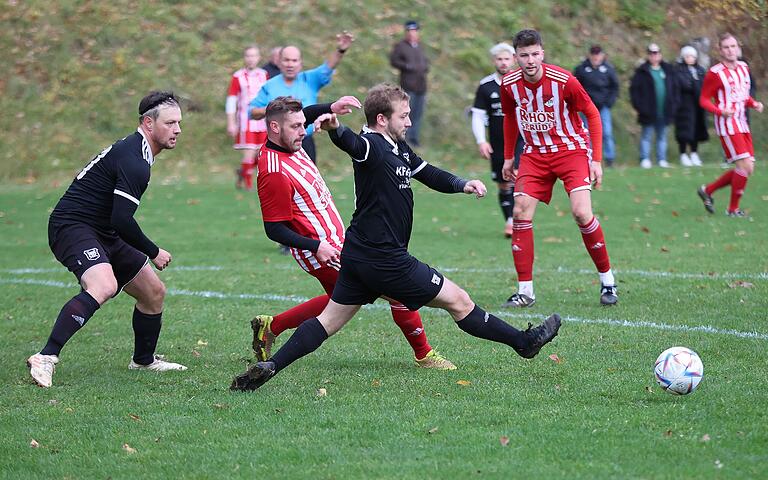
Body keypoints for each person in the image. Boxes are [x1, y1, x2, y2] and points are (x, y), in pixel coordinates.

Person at [230, 83, 562, 391]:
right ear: (381, 119)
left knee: (329, 320)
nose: (409, 120)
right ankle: (524, 342)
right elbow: (351, 142)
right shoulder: (370, 145)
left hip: (357, 255)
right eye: (403, 116)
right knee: (459, 302)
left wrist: (462, 184)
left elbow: (425, 171)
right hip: (385, 258)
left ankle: (271, 366)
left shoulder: (397, 146)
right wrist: (335, 130)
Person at [250, 95, 455, 370]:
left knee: (342, 302)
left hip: (340, 239)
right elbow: (273, 229)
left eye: (303, 125)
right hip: (322, 251)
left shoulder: (291, 141)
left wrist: (330, 108)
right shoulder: (274, 170)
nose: (303, 131)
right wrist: (315, 246)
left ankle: (272, 326)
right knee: (394, 287)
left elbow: (306, 114)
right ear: (275, 128)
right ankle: (424, 354)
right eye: (296, 126)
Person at [27, 92, 187, 388]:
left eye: (179, 122)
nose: (177, 129)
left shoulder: (138, 152)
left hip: (103, 229)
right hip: (73, 226)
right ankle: (45, 356)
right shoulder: (135, 159)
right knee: (104, 285)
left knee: (153, 293)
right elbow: (122, 219)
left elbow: (116, 220)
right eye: (170, 123)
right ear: (148, 123)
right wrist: (153, 251)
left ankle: (143, 361)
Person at [500, 29, 618, 308]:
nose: (530, 60)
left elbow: (592, 113)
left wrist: (596, 159)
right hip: (534, 154)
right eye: (524, 55)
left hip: (571, 151)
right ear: (516, 57)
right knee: (519, 211)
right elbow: (509, 117)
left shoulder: (564, 80)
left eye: (534, 54)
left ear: (543, 53)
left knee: (581, 212)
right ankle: (525, 291)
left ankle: (608, 281)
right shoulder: (508, 83)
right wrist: (508, 157)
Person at [249, 32, 355, 163]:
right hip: (279, 143)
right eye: (286, 60)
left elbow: (328, 68)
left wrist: (341, 50)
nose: (290, 64)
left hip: (305, 142)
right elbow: (252, 111)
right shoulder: (270, 86)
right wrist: (273, 110)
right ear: (279, 62)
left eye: (294, 60)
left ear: (300, 63)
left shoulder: (309, 79)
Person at [697, 33, 764, 217]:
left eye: (733, 46)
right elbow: (703, 99)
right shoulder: (715, 73)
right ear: (720, 50)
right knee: (744, 167)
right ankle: (732, 209)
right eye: (726, 47)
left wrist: (753, 103)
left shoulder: (744, 67)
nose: (730, 50)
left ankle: (707, 190)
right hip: (727, 124)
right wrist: (720, 111)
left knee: (747, 168)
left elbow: (742, 95)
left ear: (738, 47)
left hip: (743, 122)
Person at [471, 42, 524, 238]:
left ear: (514, 60)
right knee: (503, 183)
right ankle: (510, 221)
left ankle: (520, 219)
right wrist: (481, 141)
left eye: (506, 59)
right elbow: (477, 115)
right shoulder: (486, 86)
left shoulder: (522, 82)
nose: (503, 63)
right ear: (494, 61)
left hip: (522, 140)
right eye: (499, 59)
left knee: (518, 177)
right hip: (498, 143)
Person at [629, 43, 679, 169]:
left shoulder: (668, 70)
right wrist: (639, 107)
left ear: (660, 54)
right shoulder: (642, 71)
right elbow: (634, 91)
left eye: (656, 53)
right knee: (647, 135)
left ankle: (662, 159)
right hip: (648, 111)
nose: (654, 56)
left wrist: (674, 104)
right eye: (651, 54)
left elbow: (675, 88)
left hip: (665, 110)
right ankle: (645, 158)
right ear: (648, 56)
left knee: (662, 136)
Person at [226, 45, 269, 190]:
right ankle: (249, 185)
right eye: (248, 56)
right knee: (249, 152)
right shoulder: (238, 77)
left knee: (261, 154)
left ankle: (242, 172)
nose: (251, 59)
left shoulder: (264, 75)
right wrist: (231, 122)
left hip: (263, 120)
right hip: (245, 121)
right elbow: (231, 100)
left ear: (258, 58)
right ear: (245, 58)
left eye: (254, 56)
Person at [573, 45, 619, 167]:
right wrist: (580, 103)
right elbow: (575, 86)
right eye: (594, 54)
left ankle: (610, 159)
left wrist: (609, 102)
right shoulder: (582, 69)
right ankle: (590, 158)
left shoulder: (608, 69)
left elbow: (614, 87)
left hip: (603, 107)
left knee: (607, 132)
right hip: (587, 107)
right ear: (590, 55)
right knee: (587, 133)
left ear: (602, 55)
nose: (596, 57)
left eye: (598, 54)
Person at [390, 20, 429, 146]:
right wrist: (406, 66)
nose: (412, 34)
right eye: (410, 31)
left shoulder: (420, 46)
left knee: (418, 113)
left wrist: (425, 67)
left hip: (421, 86)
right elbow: (394, 60)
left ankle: (414, 138)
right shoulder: (401, 46)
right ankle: (403, 137)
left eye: (414, 31)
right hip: (408, 85)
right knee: (407, 112)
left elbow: (425, 62)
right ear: (406, 32)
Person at [673, 46, 708, 167]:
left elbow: (705, 85)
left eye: (693, 56)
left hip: (698, 104)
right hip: (684, 105)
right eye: (688, 56)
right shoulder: (678, 70)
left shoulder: (700, 70)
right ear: (683, 57)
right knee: (684, 130)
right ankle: (683, 154)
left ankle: (694, 153)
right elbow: (681, 85)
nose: (690, 58)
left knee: (696, 129)